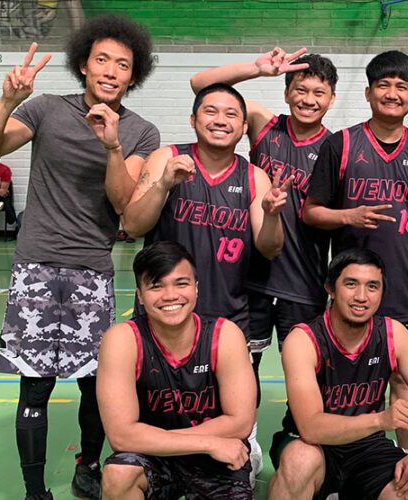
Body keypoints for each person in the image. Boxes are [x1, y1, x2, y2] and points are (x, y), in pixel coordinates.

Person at [0, 15, 159, 500]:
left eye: (123, 64)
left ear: (133, 77)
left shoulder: (140, 132)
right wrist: (11, 99)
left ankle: (87, 466)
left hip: (92, 269)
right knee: (35, 388)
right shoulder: (47, 109)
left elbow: (123, 204)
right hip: (36, 266)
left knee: (96, 386)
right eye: (102, 60)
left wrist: (111, 144)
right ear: (84, 65)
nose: (111, 71)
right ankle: (34, 490)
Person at [122, 82, 289, 483]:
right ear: (193, 120)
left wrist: (271, 214)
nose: (220, 120)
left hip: (228, 316)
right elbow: (132, 223)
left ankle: (240, 449)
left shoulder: (253, 177)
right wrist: (163, 184)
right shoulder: (167, 158)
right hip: (166, 312)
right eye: (211, 111)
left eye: (232, 115)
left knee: (231, 402)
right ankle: (164, 465)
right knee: (159, 398)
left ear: (243, 126)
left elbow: (269, 248)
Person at [190, 48, 337, 401]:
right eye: (300, 90)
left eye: (319, 93)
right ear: (287, 93)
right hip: (251, 279)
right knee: (241, 368)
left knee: (305, 373)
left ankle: (298, 434)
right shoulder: (263, 124)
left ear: (331, 99)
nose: (308, 100)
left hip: (304, 282)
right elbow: (200, 85)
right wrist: (256, 69)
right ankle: (245, 439)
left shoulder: (336, 146)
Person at [267, 248, 408, 500]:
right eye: (351, 284)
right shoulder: (304, 339)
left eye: (372, 286)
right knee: (299, 462)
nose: (361, 296)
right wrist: (381, 420)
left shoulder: (394, 334)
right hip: (313, 446)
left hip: (367, 446)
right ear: (331, 288)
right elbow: (311, 428)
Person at [97, 241, 256, 500]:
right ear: (139, 295)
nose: (170, 295)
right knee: (118, 474)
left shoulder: (223, 335)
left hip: (214, 459)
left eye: (181, 283)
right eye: (156, 286)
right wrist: (206, 442)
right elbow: (121, 436)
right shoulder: (123, 340)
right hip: (158, 457)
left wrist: (155, 437)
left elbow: (240, 422)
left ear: (196, 288)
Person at [303, 49, 408, 340]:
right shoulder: (340, 145)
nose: (392, 94)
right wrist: (347, 215)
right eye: (383, 85)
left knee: (402, 378)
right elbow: (310, 212)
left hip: (404, 289)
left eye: (401, 87)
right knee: (346, 378)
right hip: (352, 289)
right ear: (368, 93)